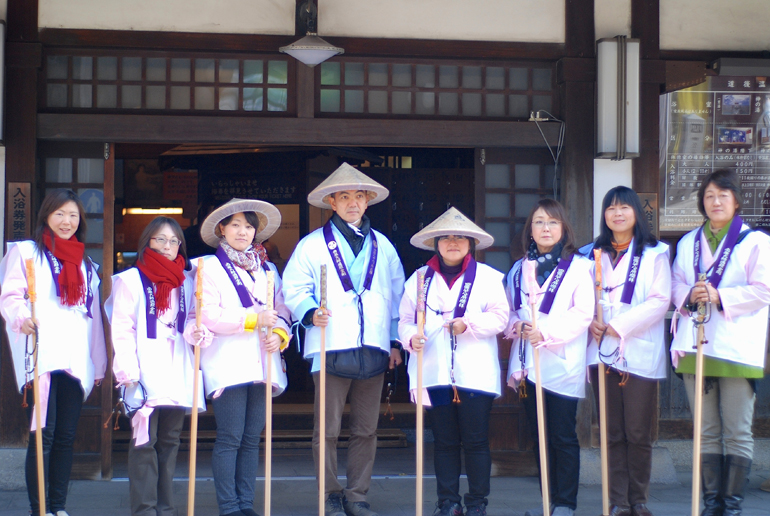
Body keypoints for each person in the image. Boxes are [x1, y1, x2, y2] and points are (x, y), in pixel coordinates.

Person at [282, 162, 405, 516]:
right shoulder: (311, 245)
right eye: (345, 197)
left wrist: (395, 341)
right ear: (332, 202)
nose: (353, 203)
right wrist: (308, 311)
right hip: (329, 343)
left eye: (360, 197)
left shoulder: (384, 246)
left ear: (368, 202)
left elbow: (398, 297)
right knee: (328, 430)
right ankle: (330, 495)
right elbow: (293, 287)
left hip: (375, 346)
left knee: (366, 429)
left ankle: (358, 494)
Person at [0, 188, 107, 516]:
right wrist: (21, 317)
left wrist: (98, 362)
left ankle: (57, 506)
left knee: (66, 436)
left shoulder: (87, 264)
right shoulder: (27, 252)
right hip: (44, 355)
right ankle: (39, 509)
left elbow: (93, 319)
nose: (67, 221)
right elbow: (11, 296)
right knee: (43, 434)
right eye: (60, 213)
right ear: (46, 215)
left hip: (75, 357)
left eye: (73, 215)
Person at [671, 169, 770, 516]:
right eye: (709, 195)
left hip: (735, 347)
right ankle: (711, 503)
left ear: (737, 201)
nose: (715, 202)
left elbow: (764, 290)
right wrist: (690, 293)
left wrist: (720, 295)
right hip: (695, 344)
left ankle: (731, 507)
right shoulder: (687, 243)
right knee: (707, 430)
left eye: (723, 196)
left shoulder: (756, 242)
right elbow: (675, 285)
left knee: (738, 431)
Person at [398, 207, 508, 516]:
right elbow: (405, 320)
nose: (453, 242)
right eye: (445, 237)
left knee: (475, 441)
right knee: (444, 441)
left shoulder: (487, 278)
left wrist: (469, 323)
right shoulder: (419, 280)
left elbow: (501, 317)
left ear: (471, 243)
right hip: (435, 369)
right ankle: (447, 502)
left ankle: (476, 503)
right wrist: (410, 338)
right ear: (435, 243)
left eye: (460, 237)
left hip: (474, 371)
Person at [192, 198, 292, 516]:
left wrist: (280, 334)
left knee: (251, 438)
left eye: (249, 225)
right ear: (221, 229)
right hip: (228, 363)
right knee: (231, 436)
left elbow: (283, 309)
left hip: (263, 361)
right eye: (235, 224)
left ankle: (246, 503)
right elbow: (206, 315)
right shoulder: (207, 267)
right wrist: (251, 320)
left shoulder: (267, 269)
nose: (243, 231)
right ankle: (230, 506)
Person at [105, 216, 205, 516]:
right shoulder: (130, 280)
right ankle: (145, 509)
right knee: (143, 443)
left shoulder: (187, 281)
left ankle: (166, 507)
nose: (168, 246)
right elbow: (122, 328)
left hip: (176, 370)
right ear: (147, 241)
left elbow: (188, 322)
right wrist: (127, 370)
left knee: (170, 442)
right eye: (161, 239)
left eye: (174, 241)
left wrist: (196, 332)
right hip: (143, 371)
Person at [585, 187, 670, 516]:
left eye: (624, 207)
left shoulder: (655, 252)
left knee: (637, 431)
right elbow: (580, 297)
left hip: (639, 350)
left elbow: (660, 300)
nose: (616, 213)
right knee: (612, 431)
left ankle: (639, 499)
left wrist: (619, 326)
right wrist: (590, 320)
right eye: (610, 208)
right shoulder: (590, 254)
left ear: (637, 212)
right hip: (601, 351)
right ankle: (617, 500)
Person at [505, 199, 594, 516]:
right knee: (539, 437)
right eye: (539, 222)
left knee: (562, 436)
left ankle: (565, 505)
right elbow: (508, 313)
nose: (545, 228)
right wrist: (517, 325)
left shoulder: (579, 267)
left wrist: (547, 332)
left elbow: (583, 314)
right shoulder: (518, 269)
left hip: (562, 361)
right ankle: (547, 501)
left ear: (563, 229)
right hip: (528, 365)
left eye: (552, 222)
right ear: (530, 229)